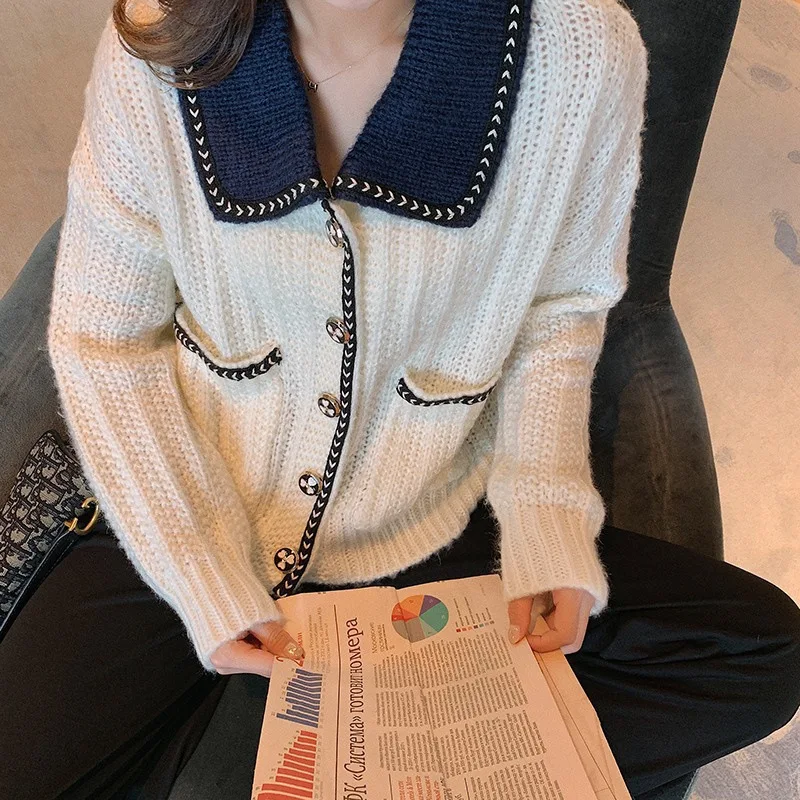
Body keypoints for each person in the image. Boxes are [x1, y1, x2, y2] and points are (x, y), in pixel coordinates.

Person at [0, 0, 798, 798]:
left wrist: (546, 517)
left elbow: (562, 309)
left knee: (764, 656)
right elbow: (103, 340)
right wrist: (196, 568)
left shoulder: (584, 55)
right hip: (190, 494)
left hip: (422, 522)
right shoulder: (158, 39)